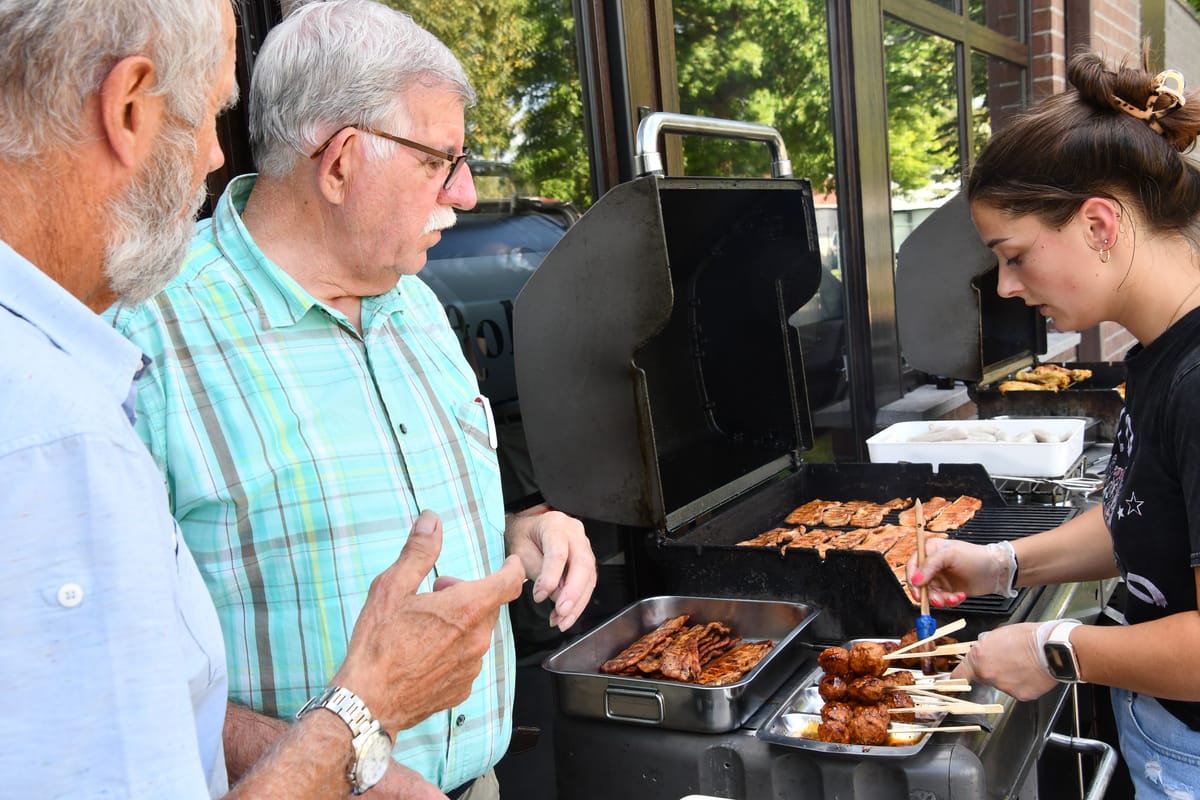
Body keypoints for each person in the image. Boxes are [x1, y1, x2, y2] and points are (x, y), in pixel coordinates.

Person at [0, 1, 526, 798]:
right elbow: (138, 700)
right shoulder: (133, 334)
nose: (465, 191)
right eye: (439, 160)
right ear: (343, 161)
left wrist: (520, 527)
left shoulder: (413, 301)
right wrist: (352, 741)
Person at [908, 51, 1200, 797]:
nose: (1007, 287)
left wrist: (1055, 647)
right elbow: (1144, 512)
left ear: (1099, 222)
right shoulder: (1163, 353)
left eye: (1014, 256)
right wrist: (1003, 564)